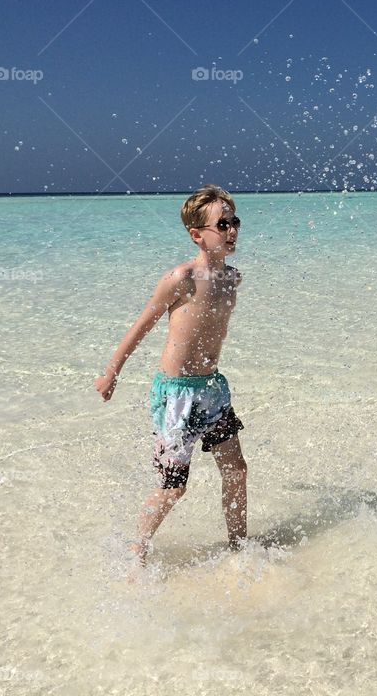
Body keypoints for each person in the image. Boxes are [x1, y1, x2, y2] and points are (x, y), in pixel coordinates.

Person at [94, 184, 246, 566]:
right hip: (177, 395)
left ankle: (239, 547)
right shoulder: (181, 278)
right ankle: (136, 551)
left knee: (236, 470)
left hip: (212, 389)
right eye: (222, 223)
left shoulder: (232, 278)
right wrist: (111, 373)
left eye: (235, 222)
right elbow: (141, 326)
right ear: (197, 234)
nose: (231, 230)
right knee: (172, 488)